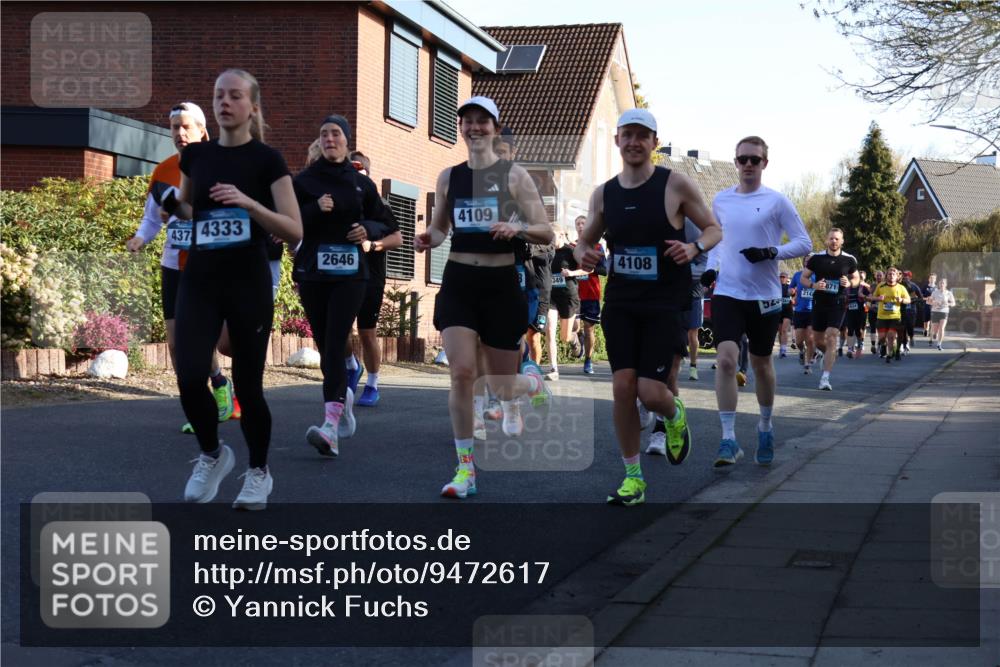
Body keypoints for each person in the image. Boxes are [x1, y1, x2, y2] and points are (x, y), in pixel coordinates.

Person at [169, 69, 302, 510]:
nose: (225, 102)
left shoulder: (268, 160)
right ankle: (212, 454)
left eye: (235, 96)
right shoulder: (197, 158)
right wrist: (172, 204)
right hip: (201, 278)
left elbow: (294, 228)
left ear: (252, 108)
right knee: (189, 376)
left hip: (247, 280)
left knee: (249, 385)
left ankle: (259, 472)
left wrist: (249, 203)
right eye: (218, 95)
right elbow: (190, 208)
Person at [575, 108, 722, 505]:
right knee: (623, 387)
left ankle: (674, 416)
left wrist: (694, 247)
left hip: (663, 302)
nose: (634, 142)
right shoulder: (604, 193)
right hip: (621, 301)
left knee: (651, 391)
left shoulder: (675, 185)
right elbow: (584, 241)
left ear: (655, 143)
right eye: (628, 135)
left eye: (643, 135)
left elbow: (713, 229)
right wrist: (584, 253)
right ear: (617, 140)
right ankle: (633, 478)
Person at [414, 96, 554, 500]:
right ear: (460, 128)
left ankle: (531, 383)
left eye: (482, 122)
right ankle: (465, 470)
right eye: (467, 121)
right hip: (459, 279)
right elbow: (441, 228)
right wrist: (429, 239)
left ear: (494, 127)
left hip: (500, 285)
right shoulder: (449, 177)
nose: (474, 128)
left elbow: (545, 231)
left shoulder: (514, 176)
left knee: (502, 384)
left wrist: (518, 231)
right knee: (460, 372)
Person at [125, 102, 241, 431]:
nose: (180, 133)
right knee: (177, 344)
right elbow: (151, 220)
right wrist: (139, 239)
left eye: (186, 126)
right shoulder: (162, 171)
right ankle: (200, 404)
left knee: (215, 340)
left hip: (210, 264)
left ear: (203, 131)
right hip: (174, 265)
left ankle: (226, 386)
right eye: (175, 127)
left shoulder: (220, 167)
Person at [702, 135, 811, 468]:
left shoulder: (777, 201)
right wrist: (710, 268)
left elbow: (804, 242)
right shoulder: (721, 200)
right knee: (725, 360)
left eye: (754, 159)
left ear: (765, 163)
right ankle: (728, 438)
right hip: (728, 293)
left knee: (763, 364)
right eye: (742, 159)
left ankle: (765, 425)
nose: (748, 165)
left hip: (764, 296)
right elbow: (717, 239)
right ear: (735, 163)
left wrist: (771, 252)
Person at [293, 116, 399, 457]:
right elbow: (287, 222)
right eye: (323, 133)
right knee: (327, 346)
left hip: (352, 276)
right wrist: (313, 209)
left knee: (338, 337)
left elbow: (387, 224)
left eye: (335, 133)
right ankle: (343, 400)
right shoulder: (305, 181)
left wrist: (367, 229)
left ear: (346, 140)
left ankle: (330, 426)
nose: (328, 138)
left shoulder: (360, 184)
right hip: (313, 272)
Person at [344, 150, 404, 407]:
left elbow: (398, 238)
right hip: (343, 275)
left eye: (360, 175)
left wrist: (374, 245)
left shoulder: (378, 207)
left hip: (371, 277)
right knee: (338, 329)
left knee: (367, 333)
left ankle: (373, 383)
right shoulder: (339, 204)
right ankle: (351, 366)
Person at [797, 228, 859, 391]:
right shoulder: (816, 259)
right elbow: (804, 277)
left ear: (842, 241)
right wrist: (814, 285)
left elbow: (857, 278)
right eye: (831, 238)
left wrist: (850, 283)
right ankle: (825, 354)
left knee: (831, 337)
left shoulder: (849, 260)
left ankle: (825, 378)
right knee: (817, 340)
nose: (834, 241)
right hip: (820, 303)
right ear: (826, 240)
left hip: (839, 302)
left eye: (837, 239)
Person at [545, 228, 587, 379]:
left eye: (553, 236)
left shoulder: (571, 251)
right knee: (549, 330)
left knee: (565, 337)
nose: (550, 239)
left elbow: (588, 269)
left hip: (568, 296)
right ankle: (553, 369)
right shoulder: (546, 251)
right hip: (551, 296)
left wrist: (571, 273)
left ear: (561, 234)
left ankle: (575, 338)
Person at [574, 214, 607, 375]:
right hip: (573, 293)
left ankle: (588, 360)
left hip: (591, 293)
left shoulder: (598, 247)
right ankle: (577, 339)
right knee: (574, 326)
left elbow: (604, 270)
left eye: (583, 223)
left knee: (589, 328)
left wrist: (592, 268)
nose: (580, 226)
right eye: (578, 223)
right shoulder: (571, 246)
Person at [870, 267, 910, 363]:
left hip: (895, 316)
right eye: (889, 274)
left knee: (891, 336)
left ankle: (889, 354)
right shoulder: (880, 286)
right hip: (882, 316)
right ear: (886, 276)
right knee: (882, 338)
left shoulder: (901, 288)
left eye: (893, 274)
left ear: (897, 277)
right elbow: (872, 297)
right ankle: (885, 346)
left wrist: (901, 300)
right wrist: (878, 298)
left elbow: (908, 300)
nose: (891, 276)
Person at [789, 257, 816, 373]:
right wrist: (791, 291)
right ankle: (801, 351)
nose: (808, 263)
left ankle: (807, 364)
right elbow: (790, 288)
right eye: (807, 261)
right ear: (804, 263)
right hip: (799, 311)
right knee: (799, 341)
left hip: (812, 311)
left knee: (810, 339)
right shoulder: (797, 275)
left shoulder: (817, 276)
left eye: (811, 261)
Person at [844, 270, 870, 358]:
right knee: (850, 329)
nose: (851, 278)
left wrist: (863, 296)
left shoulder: (863, 287)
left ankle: (860, 343)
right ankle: (850, 349)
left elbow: (870, 297)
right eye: (850, 277)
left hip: (860, 311)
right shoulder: (847, 287)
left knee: (859, 330)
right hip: (849, 311)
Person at [928, 277, 955, 350]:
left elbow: (953, 303)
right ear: (939, 284)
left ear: (946, 284)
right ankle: (934, 334)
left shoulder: (949, 293)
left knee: (942, 328)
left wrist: (948, 304)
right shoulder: (934, 292)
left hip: (944, 311)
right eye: (940, 283)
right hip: (935, 311)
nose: (942, 284)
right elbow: (929, 301)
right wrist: (934, 302)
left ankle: (939, 344)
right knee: (935, 330)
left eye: (943, 283)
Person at [868, 269, 884, 354]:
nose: (878, 277)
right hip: (872, 310)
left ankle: (880, 344)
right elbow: (869, 296)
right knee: (873, 327)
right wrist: (870, 304)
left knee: (880, 328)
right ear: (875, 276)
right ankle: (873, 345)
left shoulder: (885, 285)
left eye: (880, 275)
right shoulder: (873, 285)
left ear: (883, 276)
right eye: (877, 275)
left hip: (882, 310)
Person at [778, 271, 793, 358]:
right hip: (778, 311)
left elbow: (795, 295)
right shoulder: (776, 287)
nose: (782, 278)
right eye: (781, 277)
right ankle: (781, 347)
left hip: (788, 310)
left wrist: (794, 299)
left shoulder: (789, 287)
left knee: (784, 330)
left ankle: (784, 350)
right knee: (780, 332)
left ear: (787, 279)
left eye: (784, 277)